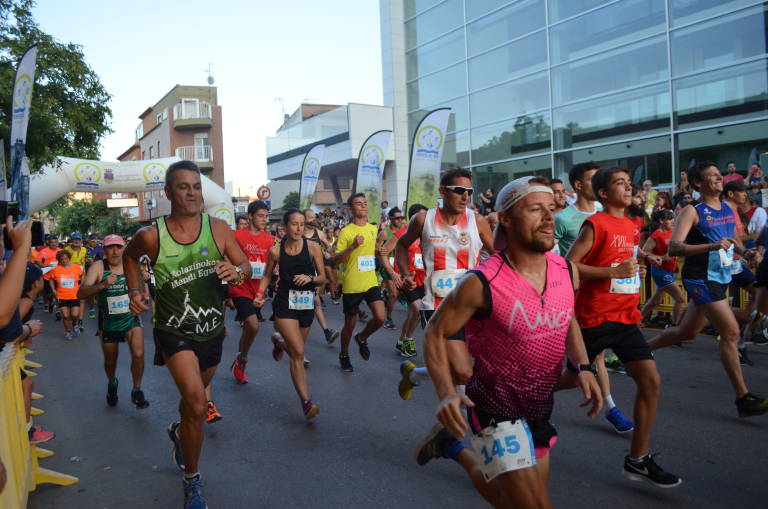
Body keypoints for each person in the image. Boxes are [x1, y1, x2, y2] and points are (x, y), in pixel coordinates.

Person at [414, 176, 602, 508]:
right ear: (506, 219)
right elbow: (436, 332)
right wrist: (445, 394)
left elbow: (567, 316)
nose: (548, 218)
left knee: (507, 501)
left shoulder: (565, 269)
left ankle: (450, 447)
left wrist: (584, 366)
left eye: (551, 209)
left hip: (539, 406)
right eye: (535, 209)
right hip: (493, 409)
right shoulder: (482, 281)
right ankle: (453, 443)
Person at [123, 160, 251, 509]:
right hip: (172, 329)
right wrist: (135, 292)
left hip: (211, 329)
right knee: (197, 404)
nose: (192, 192)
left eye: (196, 185)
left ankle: (181, 432)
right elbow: (129, 258)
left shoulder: (220, 229)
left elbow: (246, 266)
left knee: (190, 408)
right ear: (168, 193)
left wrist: (235, 273)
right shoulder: (151, 235)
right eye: (183, 186)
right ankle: (192, 479)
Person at [564, 167, 681, 487]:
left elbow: (626, 254)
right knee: (572, 380)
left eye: (630, 183)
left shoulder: (632, 224)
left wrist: (642, 262)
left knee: (651, 381)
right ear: (603, 193)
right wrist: (613, 273)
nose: (628, 188)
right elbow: (569, 267)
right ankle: (523, 395)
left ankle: (638, 459)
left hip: (625, 317)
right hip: (593, 318)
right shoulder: (595, 224)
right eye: (620, 184)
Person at [648, 161, 768, 417]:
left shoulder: (726, 208)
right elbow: (675, 248)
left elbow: (731, 239)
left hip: (720, 276)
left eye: (719, 174)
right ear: (698, 184)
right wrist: (711, 247)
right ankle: (743, 398)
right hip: (699, 278)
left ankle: (641, 350)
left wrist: (745, 252)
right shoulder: (693, 211)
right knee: (731, 332)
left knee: (687, 332)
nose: (718, 178)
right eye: (711, 176)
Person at [394, 167, 494, 397]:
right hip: (434, 304)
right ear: (442, 191)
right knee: (456, 367)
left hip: (471, 304)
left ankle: (413, 375)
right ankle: (459, 423)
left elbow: (498, 257)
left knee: (458, 365)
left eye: (469, 191)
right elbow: (401, 245)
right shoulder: (423, 219)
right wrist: (405, 273)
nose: (465, 196)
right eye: (459, 190)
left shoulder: (477, 221)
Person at [554, 163, 633, 432]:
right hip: (575, 296)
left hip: (609, 299)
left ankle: (609, 406)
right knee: (588, 361)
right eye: (592, 179)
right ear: (579, 185)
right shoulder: (563, 219)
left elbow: (620, 255)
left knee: (588, 362)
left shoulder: (608, 213)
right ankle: (611, 408)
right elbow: (555, 259)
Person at [254, 209, 326, 419]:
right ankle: (306, 401)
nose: (298, 228)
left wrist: (310, 279)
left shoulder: (313, 248)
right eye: (294, 224)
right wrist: (259, 294)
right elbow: (267, 276)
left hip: (305, 303)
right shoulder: (276, 251)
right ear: (286, 226)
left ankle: (279, 342)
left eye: (302, 224)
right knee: (298, 353)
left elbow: (323, 278)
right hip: (284, 302)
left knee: (297, 351)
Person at [78, 234, 149, 409]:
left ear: (124, 248)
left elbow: (141, 290)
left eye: (118, 247)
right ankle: (112, 383)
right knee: (111, 361)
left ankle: (137, 390)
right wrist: (102, 285)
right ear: (105, 250)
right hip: (108, 322)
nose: (115, 251)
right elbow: (81, 293)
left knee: (138, 355)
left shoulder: (131, 266)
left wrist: (143, 291)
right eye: (111, 247)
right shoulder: (98, 267)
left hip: (131, 318)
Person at [331, 193, 386, 372]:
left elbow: (375, 252)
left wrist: (379, 251)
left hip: (370, 281)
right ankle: (344, 355)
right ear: (350, 209)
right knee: (349, 325)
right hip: (352, 284)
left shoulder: (373, 229)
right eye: (358, 204)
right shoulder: (347, 232)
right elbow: (336, 260)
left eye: (365, 203)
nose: (363, 206)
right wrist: (353, 246)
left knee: (380, 317)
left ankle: (361, 338)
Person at [228, 201, 275, 384]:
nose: (265, 219)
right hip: (239, 287)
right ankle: (243, 360)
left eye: (266, 216)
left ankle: (240, 359)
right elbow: (227, 258)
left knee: (250, 327)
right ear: (250, 216)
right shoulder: (237, 236)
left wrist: (262, 293)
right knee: (253, 325)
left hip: (258, 289)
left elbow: (269, 271)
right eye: (261, 216)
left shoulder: (270, 240)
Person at [378, 204, 425, 359]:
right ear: (413, 219)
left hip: (424, 279)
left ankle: (400, 341)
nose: (426, 219)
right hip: (406, 279)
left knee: (413, 314)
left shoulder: (430, 234)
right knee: (417, 310)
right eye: (422, 216)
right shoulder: (401, 234)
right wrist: (393, 273)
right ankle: (409, 340)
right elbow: (383, 253)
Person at [641, 209, 685, 325]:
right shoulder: (656, 235)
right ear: (661, 221)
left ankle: (636, 321)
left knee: (656, 301)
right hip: (660, 271)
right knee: (680, 299)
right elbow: (644, 252)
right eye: (670, 219)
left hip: (669, 270)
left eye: (673, 218)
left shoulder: (673, 231)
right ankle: (675, 327)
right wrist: (661, 257)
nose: (673, 221)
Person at [302, 209, 339, 345]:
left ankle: (326, 332)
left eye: (314, 217)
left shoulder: (319, 233)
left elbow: (329, 248)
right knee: (310, 304)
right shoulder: (297, 233)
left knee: (315, 302)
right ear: (303, 218)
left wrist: (326, 253)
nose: (312, 219)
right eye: (309, 217)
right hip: (298, 272)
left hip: (313, 273)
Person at [43, 250, 83, 340]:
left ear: (69, 258)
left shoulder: (76, 267)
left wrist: (81, 286)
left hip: (74, 295)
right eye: (62, 259)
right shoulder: (55, 270)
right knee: (65, 316)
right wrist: (53, 289)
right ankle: (67, 331)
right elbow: (50, 279)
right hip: (61, 296)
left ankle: (75, 324)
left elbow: (82, 276)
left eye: (66, 258)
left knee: (75, 314)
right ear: (59, 260)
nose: (64, 261)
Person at [378, 207, 406, 331]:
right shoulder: (384, 233)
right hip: (387, 266)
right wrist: (383, 261)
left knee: (396, 293)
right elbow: (377, 250)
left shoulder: (404, 232)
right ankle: (388, 319)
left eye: (401, 217)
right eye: (397, 218)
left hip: (400, 266)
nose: (400, 220)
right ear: (390, 218)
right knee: (394, 294)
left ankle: (385, 295)